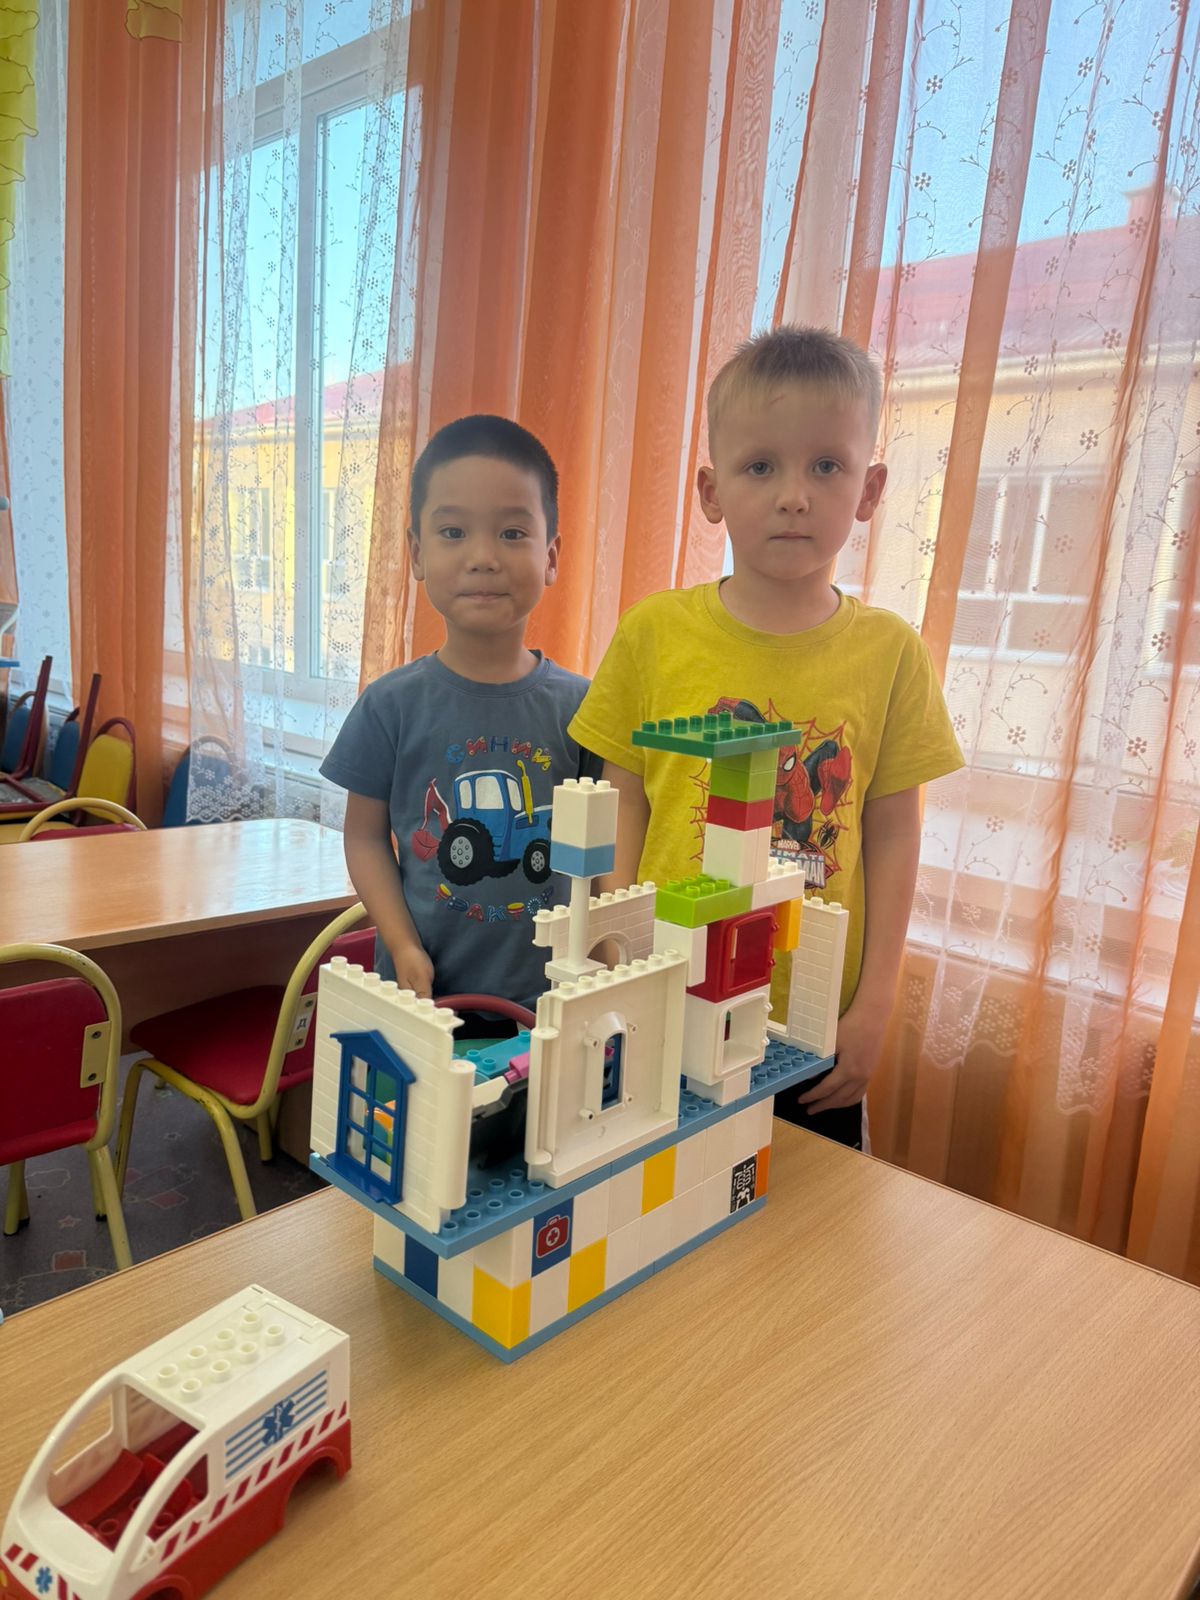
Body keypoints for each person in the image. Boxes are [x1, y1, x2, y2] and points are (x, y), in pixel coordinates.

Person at [569, 326, 963, 1148]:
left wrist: (876, 1004)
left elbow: (895, 834)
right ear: (711, 491)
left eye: (826, 466)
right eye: (760, 467)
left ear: (869, 489)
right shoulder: (653, 632)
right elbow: (620, 797)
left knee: (811, 1218)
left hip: (813, 1023)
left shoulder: (891, 652)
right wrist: (614, 950)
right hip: (665, 1002)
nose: (794, 495)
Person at [321, 414, 598, 1024]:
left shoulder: (584, 708)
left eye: (512, 533)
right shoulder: (389, 705)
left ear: (551, 556)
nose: (483, 557)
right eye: (453, 531)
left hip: (553, 1000)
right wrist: (401, 944)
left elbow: (603, 849)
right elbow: (364, 837)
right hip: (425, 997)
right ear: (417, 553)